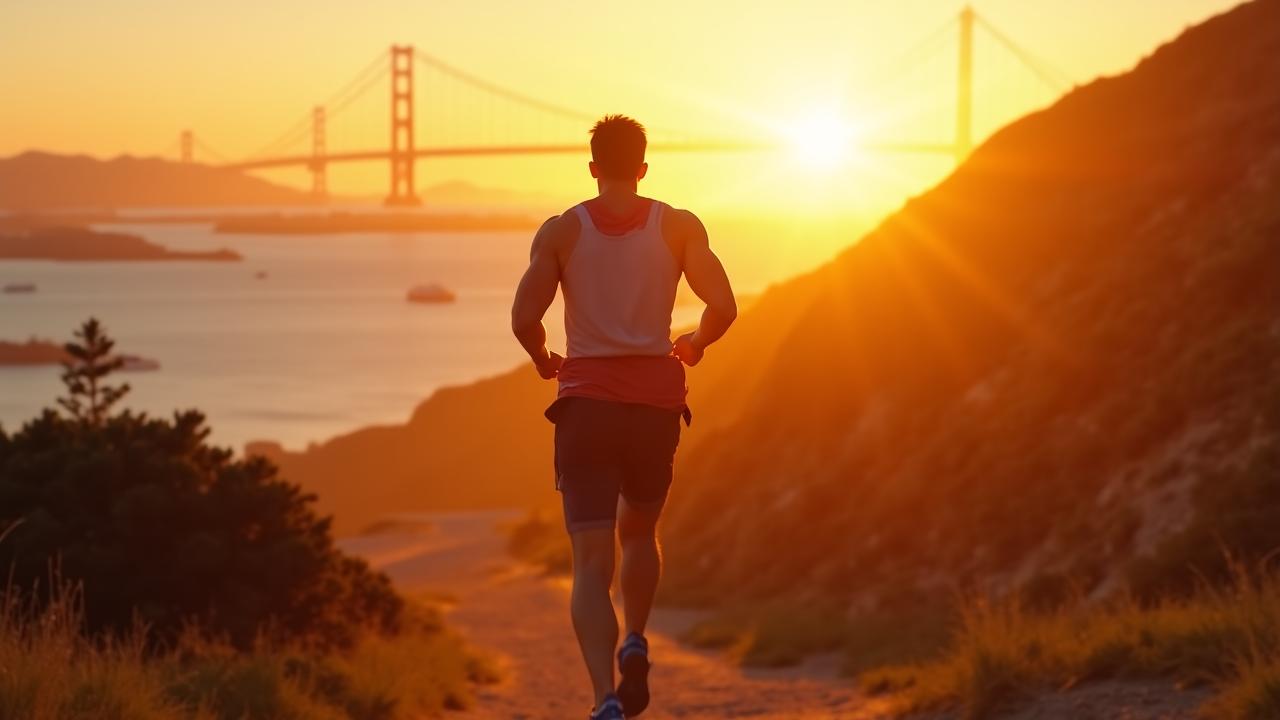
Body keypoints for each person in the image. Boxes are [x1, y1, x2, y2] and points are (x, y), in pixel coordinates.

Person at [511, 115, 737, 719]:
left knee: (591, 563)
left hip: (586, 409)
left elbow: (524, 318)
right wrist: (695, 344)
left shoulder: (562, 231)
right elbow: (723, 306)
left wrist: (543, 359)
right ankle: (635, 638)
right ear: (642, 167)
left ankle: (603, 698)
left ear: (592, 168)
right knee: (639, 533)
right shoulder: (679, 226)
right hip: (654, 409)